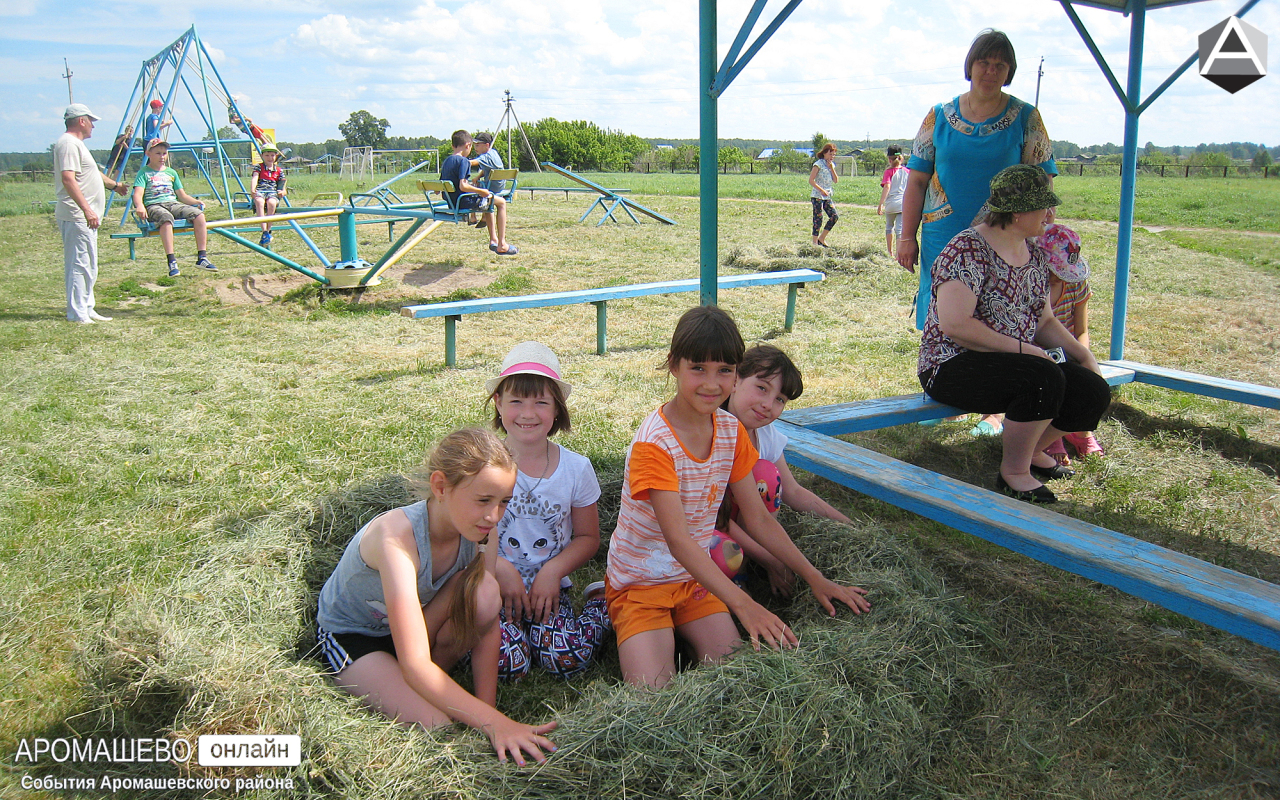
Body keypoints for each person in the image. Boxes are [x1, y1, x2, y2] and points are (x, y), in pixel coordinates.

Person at [605, 306, 871, 688]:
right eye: (698, 368)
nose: (712, 384)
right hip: (641, 585)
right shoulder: (655, 444)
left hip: (697, 580)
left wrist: (815, 577)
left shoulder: (730, 431)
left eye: (724, 371)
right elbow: (679, 542)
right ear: (673, 365)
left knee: (737, 679)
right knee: (653, 698)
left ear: (735, 373)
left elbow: (759, 518)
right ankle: (614, 604)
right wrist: (744, 605)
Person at [315, 429, 558, 765]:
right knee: (438, 724)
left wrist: (489, 715)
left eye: (504, 502)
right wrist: (498, 726)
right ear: (441, 486)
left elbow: (487, 624)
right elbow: (414, 666)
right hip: (357, 638)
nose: (494, 515)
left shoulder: (482, 530)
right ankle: (409, 683)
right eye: (484, 500)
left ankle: (434, 686)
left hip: (417, 625)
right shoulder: (396, 539)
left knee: (485, 590)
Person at [917, 164, 1112, 504]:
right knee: (1041, 376)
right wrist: (1026, 351)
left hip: (1013, 364)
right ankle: (1014, 473)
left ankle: (1033, 451)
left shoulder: (1034, 252)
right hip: (950, 366)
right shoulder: (967, 249)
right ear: (1019, 212)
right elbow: (955, 325)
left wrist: (1083, 355)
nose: (1051, 214)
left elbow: (1044, 321)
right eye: (1044, 206)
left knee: (1091, 389)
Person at [896, 29, 1058, 331]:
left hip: (1005, 238)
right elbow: (916, 182)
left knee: (997, 322)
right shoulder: (937, 117)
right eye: (984, 62)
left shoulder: (1027, 118)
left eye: (1000, 65)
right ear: (970, 65)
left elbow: (1043, 183)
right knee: (941, 322)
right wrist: (907, 238)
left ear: (1009, 71)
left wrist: (1037, 237)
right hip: (942, 236)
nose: (991, 71)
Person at [485, 342, 610, 680]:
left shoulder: (575, 469)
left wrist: (553, 572)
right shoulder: (480, 465)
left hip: (548, 591)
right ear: (498, 403)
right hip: (492, 587)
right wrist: (499, 568)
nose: (528, 413)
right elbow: (465, 536)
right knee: (506, 666)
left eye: (541, 401)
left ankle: (602, 602)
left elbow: (587, 537)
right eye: (516, 401)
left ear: (557, 408)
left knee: (565, 659)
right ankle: (518, 640)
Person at [716, 345, 856, 595]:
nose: (768, 404)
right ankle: (731, 582)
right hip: (709, 531)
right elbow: (717, 517)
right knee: (722, 552)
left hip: (748, 528)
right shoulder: (713, 432)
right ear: (736, 380)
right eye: (761, 388)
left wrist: (848, 525)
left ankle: (747, 567)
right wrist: (773, 560)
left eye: (780, 399)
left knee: (767, 475)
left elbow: (793, 491)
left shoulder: (764, 434)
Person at [1036, 222, 1105, 466]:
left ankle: (1081, 431)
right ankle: (1051, 435)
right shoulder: (1033, 285)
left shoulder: (1076, 284)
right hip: (1039, 351)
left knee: (1085, 378)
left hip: (1070, 348)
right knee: (1053, 381)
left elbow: (1082, 330)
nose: (1059, 277)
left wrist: (1082, 354)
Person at [54, 104, 129, 324]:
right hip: (76, 215)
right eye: (91, 120)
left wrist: (114, 185)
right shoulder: (67, 143)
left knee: (89, 262)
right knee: (79, 263)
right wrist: (86, 208)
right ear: (81, 121)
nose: (93, 125)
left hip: (86, 216)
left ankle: (87, 306)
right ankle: (77, 313)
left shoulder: (77, 145)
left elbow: (92, 172)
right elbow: (68, 178)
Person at [132, 139, 217, 277]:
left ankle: (202, 257)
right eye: (158, 153)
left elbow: (182, 196)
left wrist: (196, 202)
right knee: (166, 218)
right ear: (148, 154)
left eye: (164, 153)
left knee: (199, 215)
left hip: (173, 203)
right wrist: (140, 205)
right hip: (154, 204)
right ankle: (172, 261)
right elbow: (138, 193)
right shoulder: (144, 173)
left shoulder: (171, 172)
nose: (162, 157)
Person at [441, 130, 516, 255]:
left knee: (487, 200)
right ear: (468, 145)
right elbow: (463, 186)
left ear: (452, 145)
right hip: (465, 202)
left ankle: (492, 237)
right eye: (473, 145)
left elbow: (438, 189)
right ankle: (502, 244)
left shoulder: (446, 161)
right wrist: (481, 190)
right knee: (501, 202)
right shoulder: (464, 161)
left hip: (452, 202)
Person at [250, 144, 287, 247]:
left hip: (272, 192)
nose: (270, 158)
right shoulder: (259, 167)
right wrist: (253, 189)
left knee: (271, 203)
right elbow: (255, 178)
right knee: (259, 201)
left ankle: (268, 230)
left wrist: (282, 192)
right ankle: (264, 231)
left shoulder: (279, 170)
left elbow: (283, 184)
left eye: (272, 155)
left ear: (275, 156)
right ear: (262, 156)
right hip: (261, 190)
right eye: (267, 155)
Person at [877, 145, 909, 257]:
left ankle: (890, 252)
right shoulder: (907, 171)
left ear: (889, 159)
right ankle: (898, 254)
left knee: (889, 226)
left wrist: (880, 204)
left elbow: (887, 187)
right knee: (900, 229)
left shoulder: (889, 172)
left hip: (891, 204)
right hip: (903, 203)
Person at [808, 142, 839, 247]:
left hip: (827, 196)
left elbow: (835, 180)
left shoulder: (831, 165)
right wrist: (821, 190)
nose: (832, 157)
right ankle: (815, 242)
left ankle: (822, 238)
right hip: (817, 195)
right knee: (818, 218)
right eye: (830, 154)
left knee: (834, 216)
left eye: (834, 155)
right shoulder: (818, 164)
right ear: (825, 153)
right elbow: (811, 180)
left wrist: (831, 168)